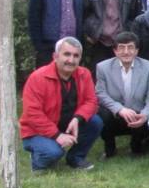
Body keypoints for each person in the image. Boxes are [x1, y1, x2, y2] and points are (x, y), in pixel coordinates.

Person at [20, 37, 102, 172]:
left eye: (76, 56)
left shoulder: (84, 74)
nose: (71, 60)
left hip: (66, 124)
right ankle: (38, 160)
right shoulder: (37, 78)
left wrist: (78, 118)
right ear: (55, 56)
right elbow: (32, 114)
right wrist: (57, 135)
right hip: (36, 131)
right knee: (53, 153)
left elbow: (91, 101)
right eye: (67, 54)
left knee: (95, 122)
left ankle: (75, 158)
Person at [95, 32, 149, 158]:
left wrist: (145, 114)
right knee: (102, 114)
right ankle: (110, 148)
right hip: (115, 114)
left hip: (138, 114)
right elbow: (100, 93)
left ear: (137, 51)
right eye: (121, 48)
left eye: (130, 47)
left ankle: (136, 147)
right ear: (115, 51)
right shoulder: (102, 67)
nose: (126, 52)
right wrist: (120, 109)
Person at [83, 0, 142, 72]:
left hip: (122, 41)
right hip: (99, 41)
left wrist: (130, 33)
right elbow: (85, 13)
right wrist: (89, 34)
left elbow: (135, 16)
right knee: (98, 75)